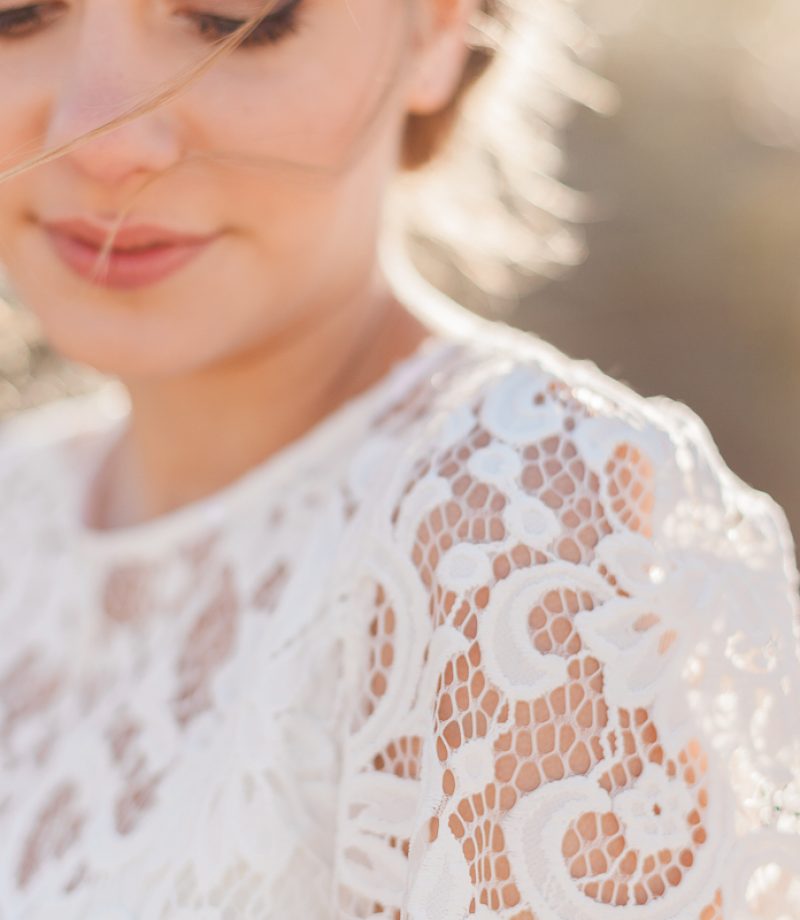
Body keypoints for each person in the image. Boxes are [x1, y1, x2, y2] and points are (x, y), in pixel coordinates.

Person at [0, 1, 797, 918]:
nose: (96, 138)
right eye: (16, 12)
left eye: (230, 18)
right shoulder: (20, 510)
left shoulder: (518, 527)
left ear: (437, 33)